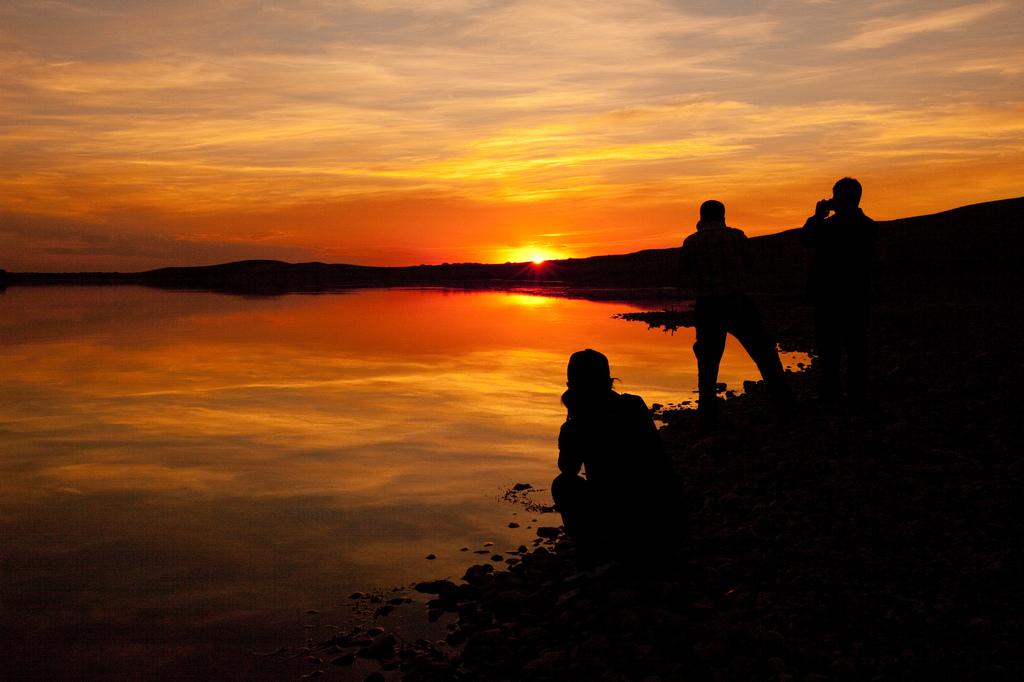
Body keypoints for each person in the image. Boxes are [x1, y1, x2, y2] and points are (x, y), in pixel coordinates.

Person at [551, 349, 681, 562]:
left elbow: (568, 469)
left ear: (573, 386)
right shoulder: (634, 406)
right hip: (667, 519)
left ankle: (597, 552)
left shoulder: (579, 425)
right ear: (609, 381)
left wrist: (569, 428)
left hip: (628, 524)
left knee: (563, 484)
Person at [678, 200, 793, 432]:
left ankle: (708, 418)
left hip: (708, 307)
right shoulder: (737, 236)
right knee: (764, 354)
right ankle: (786, 406)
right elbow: (749, 263)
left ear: (701, 218)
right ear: (723, 216)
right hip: (738, 303)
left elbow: (684, 270)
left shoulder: (691, 242)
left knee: (708, 364)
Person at [799, 177, 877, 405]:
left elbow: (805, 239)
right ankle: (857, 394)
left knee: (828, 348)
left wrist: (817, 216)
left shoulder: (829, 226)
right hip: (857, 294)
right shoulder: (870, 226)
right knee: (857, 348)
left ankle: (830, 395)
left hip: (828, 294)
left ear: (840, 197)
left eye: (834, 195)